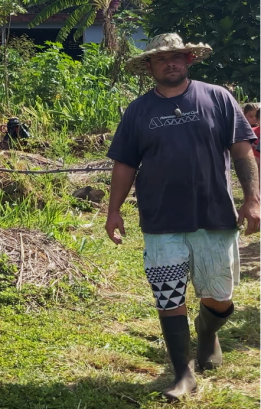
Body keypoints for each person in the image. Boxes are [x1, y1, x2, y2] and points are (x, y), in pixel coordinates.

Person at [106, 33, 261, 401]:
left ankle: (208, 331)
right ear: (150, 67)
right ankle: (182, 373)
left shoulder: (217, 98)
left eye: (177, 56)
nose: (170, 63)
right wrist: (113, 209)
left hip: (214, 216)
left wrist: (253, 198)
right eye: (162, 59)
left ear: (189, 59)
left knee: (219, 297)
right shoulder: (138, 111)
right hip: (161, 220)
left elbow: (242, 151)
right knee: (167, 296)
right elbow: (125, 163)